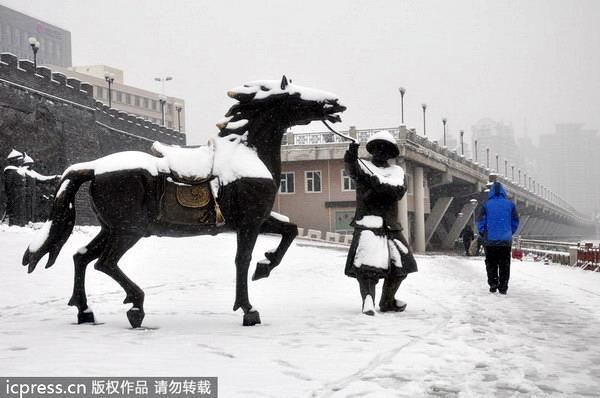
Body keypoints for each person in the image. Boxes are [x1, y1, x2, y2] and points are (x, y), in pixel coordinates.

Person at [344, 130, 418, 315]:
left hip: (391, 225)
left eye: (385, 148)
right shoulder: (363, 166)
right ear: (372, 150)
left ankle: (387, 301)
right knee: (367, 268)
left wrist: (375, 183)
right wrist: (351, 153)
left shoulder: (397, 171)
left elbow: (397, 191)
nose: (380, 151)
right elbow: (352, 168)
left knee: (402, 265)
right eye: (377, 148)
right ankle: (367, 301)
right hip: (368, 222)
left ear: (390, 153)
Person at [476, 181, 519, 295]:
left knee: (491, 263)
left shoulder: (486, 205)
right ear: (503, 192)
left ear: (491, 192)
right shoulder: (510, 205)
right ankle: (503, 287)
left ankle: (493, 284)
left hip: (490, 240)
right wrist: (509, 232)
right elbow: (515, 221)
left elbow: (480, 221)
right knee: (505, 264)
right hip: (505, 241)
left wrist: (483, 233)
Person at [3, 149, 27, 226]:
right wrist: (10, 194)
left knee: (20, 209)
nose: (22, 161)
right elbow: (8, 184)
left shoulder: (18, 170)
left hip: (19, 193)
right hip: (15, 193)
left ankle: (20, 223)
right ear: (15, 161)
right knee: (14, 209)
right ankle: (14, 224)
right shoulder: (10, 170)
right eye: (20, 160)